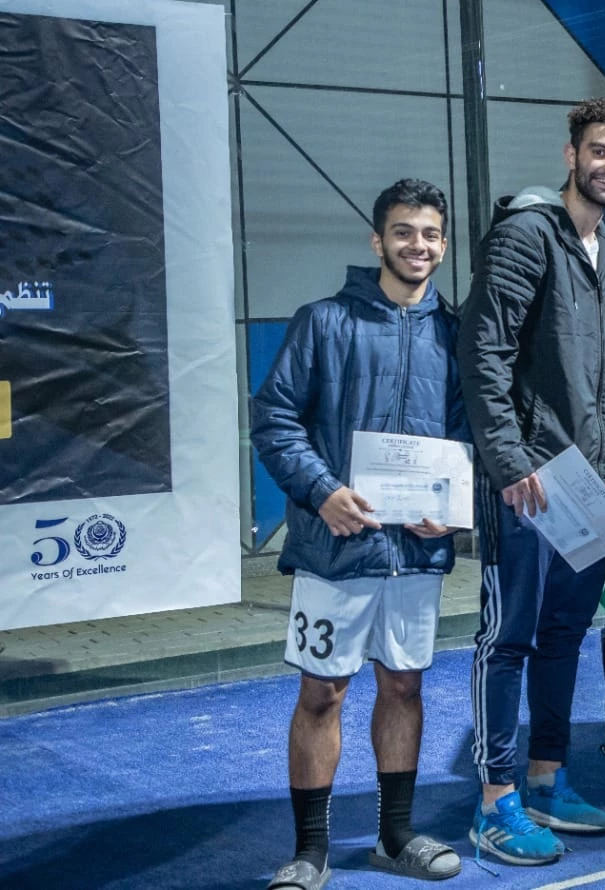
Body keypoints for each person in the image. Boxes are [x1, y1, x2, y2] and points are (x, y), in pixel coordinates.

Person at [252, 179, 466, 890]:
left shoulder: (455, 333)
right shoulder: (323, 322)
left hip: (416, 552)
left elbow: (467, 435)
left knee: (404, 686)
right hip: (333, 548)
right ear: (377, 241)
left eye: (431, 233)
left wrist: (451, 502)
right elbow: (275, 420)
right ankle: (310, 849)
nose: (419, 245)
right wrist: (323, 493)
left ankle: (394, 836)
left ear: (444, 242)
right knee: (323, 693)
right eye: (404, 232)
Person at [456, 97, 605, 866]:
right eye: (600, 152)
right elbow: (484, 356)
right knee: (509, 639)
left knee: (564, 638)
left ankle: (545, 778)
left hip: (586, 485)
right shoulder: (527, 236)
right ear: (571, 155)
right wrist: (510, 463)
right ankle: (494, 801)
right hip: (530, 482)